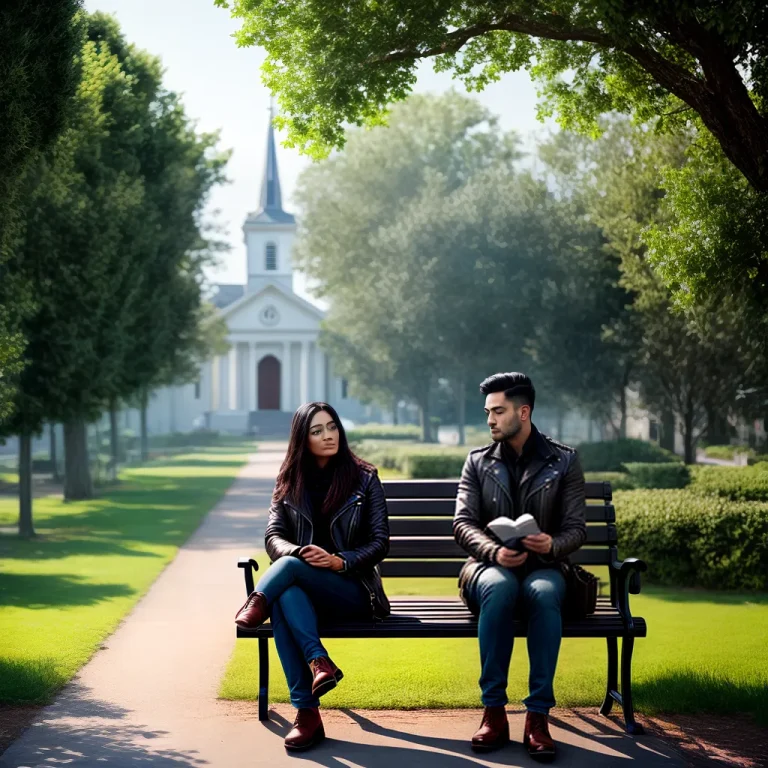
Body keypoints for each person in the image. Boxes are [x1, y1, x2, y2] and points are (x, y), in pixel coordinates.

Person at [234, 402, 390, 751]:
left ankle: (258, 602)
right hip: (307, 598)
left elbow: (380, 543)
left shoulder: (365, 478)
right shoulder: (290, 479)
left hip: (354, 590)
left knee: (285, 578)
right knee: (288, 596)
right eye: (317, 430)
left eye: (332, 427)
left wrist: (338, 562)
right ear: (302, 439)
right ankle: (315, 680)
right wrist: (300, 553)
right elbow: (274, 536)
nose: (328, 435)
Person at [453, 373, 587, 762]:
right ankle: (493, 712)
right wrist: (494, 553)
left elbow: (576, 530)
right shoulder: (478, 462)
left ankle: (538, 717)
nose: (490, 420)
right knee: (500, 587)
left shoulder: (564, 461)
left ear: (523, 412)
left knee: (543, 594)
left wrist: (551, 543)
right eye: (487, 412)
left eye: (498, 411)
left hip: (544, 567)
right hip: (488, 568)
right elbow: (462, 524)